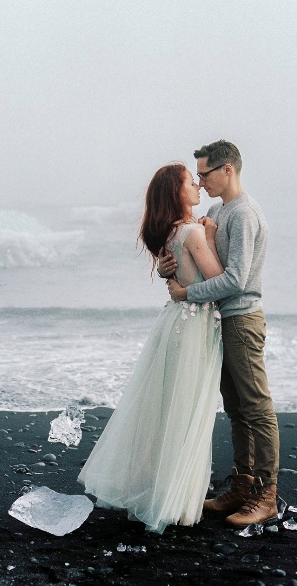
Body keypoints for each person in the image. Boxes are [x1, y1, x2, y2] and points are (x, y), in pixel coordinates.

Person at [77, 162, 224, 533]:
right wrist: (210, 232)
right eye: (188, 182)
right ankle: (175, 500)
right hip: (194, 327)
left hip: (175, 322)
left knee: (167, 411)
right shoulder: (191, 231)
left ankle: (160, 490)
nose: (196, 185)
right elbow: (221, 279)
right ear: (175, 194)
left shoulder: (171, 232)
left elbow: (180, 271)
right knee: (187, 413)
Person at [161, 139, 278, 528]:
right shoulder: (216, 210)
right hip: (218, 322)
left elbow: (236, 280)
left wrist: (186, 293)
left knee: (256, 408)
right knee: (236, 409)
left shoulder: (244, 214)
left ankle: (267, 494)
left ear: (227, 170)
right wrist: (168, 268)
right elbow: (196, 258)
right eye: (197, 175)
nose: (201, 181)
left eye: (205, 173)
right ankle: (242, 487)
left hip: (242, 319)